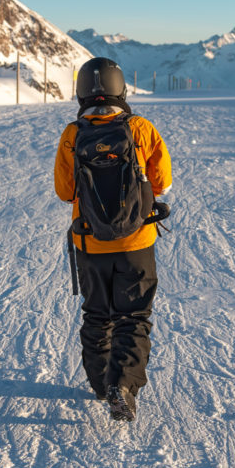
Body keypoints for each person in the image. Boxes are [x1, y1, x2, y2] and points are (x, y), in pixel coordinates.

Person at [54, 57, 172, 423]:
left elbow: (64, 191)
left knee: (97, 313)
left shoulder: (73, 135)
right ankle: (123, 384)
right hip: (136, 243)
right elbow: (162, 182)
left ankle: (100, 382)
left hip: (90, 243)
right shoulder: (139, 127)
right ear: (121, 87)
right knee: (133, 316)